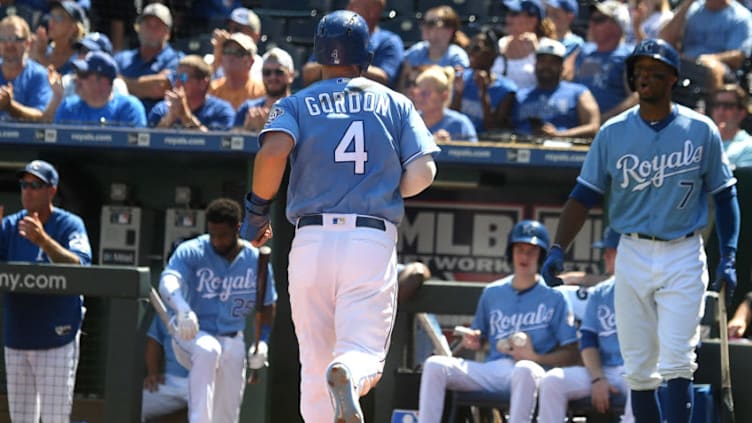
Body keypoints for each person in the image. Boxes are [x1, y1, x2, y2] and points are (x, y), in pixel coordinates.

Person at [240, 10, 439, 422]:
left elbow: (273, 152)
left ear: (319, 54)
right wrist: (383, 187)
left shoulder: (295, 102)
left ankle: (338, 374)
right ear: (365, 55)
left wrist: (257, 211)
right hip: (368, 239)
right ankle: (349, 370)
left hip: (310, 242)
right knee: (362, 354)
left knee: (313, 366)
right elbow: (424, 171)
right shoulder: (395, 101)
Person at [541, 38, 740, 423]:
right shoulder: (613, 133)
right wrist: (557, 247)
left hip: (683, 250)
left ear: (672, 79)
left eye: (654, 71)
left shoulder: (700, 130)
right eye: (639, 70)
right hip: (631, 250)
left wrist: (729, 253)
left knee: (678, 360)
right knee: (639, 366)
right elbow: (583, 195)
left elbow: (725, 195)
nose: (645, 77)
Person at [417, 220, 579, 423]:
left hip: (534, 372)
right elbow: (480, 337)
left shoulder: (555, 297)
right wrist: (475, 340)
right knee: (435, 365)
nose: (525, 256)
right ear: (511, 252)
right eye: (520, 248)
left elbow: (572, 353)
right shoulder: (493, 292)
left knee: (525, 369)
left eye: (532, 250)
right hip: (494, 370)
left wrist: (535, 357)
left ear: (541, 256)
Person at [158, 198, 277, 423]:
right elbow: (168, 280)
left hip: (232, 337)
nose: (216, 240)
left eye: (222, 235)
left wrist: (262, 342)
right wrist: (182, 308)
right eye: (212, 234)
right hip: (191, 332)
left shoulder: (254, 259)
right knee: (208, 349)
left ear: (237, 229)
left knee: (228, 411)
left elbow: (268, 304)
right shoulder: (193, 250)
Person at [0, 159, 92, 423]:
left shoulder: (69, 224)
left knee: (55, 418)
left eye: (35, 185)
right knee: (22, 419)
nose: (27, 191)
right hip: (18, 335)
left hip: (56, 335)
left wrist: (43, 240)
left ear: (51, 191)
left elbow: (80, 264)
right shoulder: (9, 226)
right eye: (24, 185)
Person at [538, 227, 634, 423]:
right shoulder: (600, 292)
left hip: (637, 370)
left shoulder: (648, 291)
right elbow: (588, 340)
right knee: (552, 381)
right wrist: (598, 378)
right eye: (605, 250)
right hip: (603, 369)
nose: (605, 255)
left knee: (642, 387)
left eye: (612, 250)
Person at [303, 0, 405, 88]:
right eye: (349, 5)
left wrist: (339, 61)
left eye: (354, 6)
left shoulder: (389, 41)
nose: (348, 9)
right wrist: (344, 64)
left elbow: (383, 78)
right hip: (329, 97)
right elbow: (307, 73)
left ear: (373, 11)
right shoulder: (336, 37)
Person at [512, 38, 600, 138]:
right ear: (535, 65)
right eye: (542, 61)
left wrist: (559, 135)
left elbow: (593, 127)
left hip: (563, 150)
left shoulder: (579, 92)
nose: (546, 66)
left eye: (553, 62)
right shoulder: (519, 96)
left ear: (562, 67)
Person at [659, 0, 752, 91]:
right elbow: (665, 39)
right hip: (685, 63)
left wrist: (708, 59)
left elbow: (739, 56)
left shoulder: (741, 17)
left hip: (719, 69)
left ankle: (712, 105)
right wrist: (686, 5)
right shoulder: (693, 9)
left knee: (711, 68)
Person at [572, 0, 637, 122]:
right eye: (592, 19)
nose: (591, 24)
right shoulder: (583, 52)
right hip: (577, 124)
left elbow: (636, 97)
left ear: (618, 25)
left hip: (612, 127)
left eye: (599, 20)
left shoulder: (629, 55)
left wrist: (603, 120)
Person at [114, 3, 184, 114]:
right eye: (147, 24)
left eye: (157, 25)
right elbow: (107, 84)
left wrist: (121, 83)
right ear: (138, 28)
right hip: (123, 123)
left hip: (159, 125)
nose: (151, 29)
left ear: (168, 33)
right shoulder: (121, 59)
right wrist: (147, 84)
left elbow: (160, 87)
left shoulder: (178, 60)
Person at [53, 51, 146, 126]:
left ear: (104, 82)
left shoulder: (129, 108)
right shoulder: (68, 107)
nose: (77, 80)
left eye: (82, 75)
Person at [450, 30, 517, 133]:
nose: (470, 53)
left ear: (491, 53)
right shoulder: (460, 78)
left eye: (476, 49)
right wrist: (458, 93)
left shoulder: (506, 90)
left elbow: (494, 129)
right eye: (468, 48)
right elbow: (449, 121)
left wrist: (484, 94)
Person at [149, 55, 235, 131]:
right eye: (175, 77)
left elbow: (214, 145)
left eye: (183, 77)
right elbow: (150, 143)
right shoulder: (161, 109)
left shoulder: (221, 111)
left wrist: (185, 116)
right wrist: (170, 117)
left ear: (203, 83)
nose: (177, 83)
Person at [398, 5, 469, 94]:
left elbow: (456, 93)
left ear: (449, 30)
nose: (424, 26)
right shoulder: (416, 51)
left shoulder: (457, 57)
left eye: (431, 23)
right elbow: (402, 87)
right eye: (423, 22)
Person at [492, 0, 555, 91]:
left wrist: (536, 51)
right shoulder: (501, 43)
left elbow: (554, 82)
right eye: (508, 13)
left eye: (514, 14)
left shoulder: (549, 47)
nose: (508, 17)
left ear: (532, 21)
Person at [0, 15, 52, 121]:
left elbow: (41, 116)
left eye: (16, 39)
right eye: (3, 39)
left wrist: (10, 106)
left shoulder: (38, 74)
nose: (9, 44)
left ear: (28, 43)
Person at [234, 47, 294, 132]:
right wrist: (247, 129)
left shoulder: (299, 110)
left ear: (291, 75)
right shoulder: (247, 109)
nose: (272, 77)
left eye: (279, 72)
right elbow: (231, 140)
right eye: (267, 73)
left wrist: (265, 129)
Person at [141, 317, 189, 422]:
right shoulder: (167, 307)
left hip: (207, 382)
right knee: (133, 405)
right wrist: (153, 373)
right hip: (171, 382)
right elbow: (154, 341)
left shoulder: (218, 303)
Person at [412, 65, 478, 142]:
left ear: (444, 96)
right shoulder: (408, 123)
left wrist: (450, 148)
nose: (420, 97)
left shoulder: (461, 124)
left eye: (426, 93)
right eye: (417, 92)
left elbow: (474, 152)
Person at [207, 32, 265, 110]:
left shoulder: (262, 92)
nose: (230, 56)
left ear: (251, 61)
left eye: (238, 52)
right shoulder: (212, 90)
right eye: (226, 51)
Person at [29, 0, 87, 75]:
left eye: (59, 18)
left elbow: (58, 84)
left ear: (74, 27)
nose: (51, 21)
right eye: (51, 16)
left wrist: (41, 56)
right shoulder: (44, 49)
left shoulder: (79, 59)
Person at [210, 7, 263, 81]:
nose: (232, 33)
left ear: (255, 36)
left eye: (237, 29)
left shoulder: (263, 67)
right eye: (229, 29)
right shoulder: (212, 58)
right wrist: (218, 56)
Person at [710, 84, 752, 169]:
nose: (720, 111)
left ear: (741, 113)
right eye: (717, 105)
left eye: (728, 106)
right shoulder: (703, 142)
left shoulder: (748, 146)